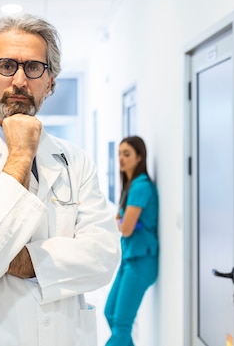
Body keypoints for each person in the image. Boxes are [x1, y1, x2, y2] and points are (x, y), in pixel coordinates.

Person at [0, 13, 121, 346]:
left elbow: (103, 257)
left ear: (51, 82)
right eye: (6, 65)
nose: (19, 80)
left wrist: (20, 260)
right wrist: (20, 155)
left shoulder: (74, 160)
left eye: (33, 68)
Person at [104, 136, 159, 346]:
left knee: (121, 324)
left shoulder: (140, 187)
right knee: (110, 313)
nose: (120, 159)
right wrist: (122, 222)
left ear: (139, 158)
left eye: (127, 154)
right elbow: (123, 222)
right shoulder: (130, 186)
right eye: (119, 153)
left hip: (142, 261)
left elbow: (125, 228)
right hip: (130, 259)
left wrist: (121, 223)